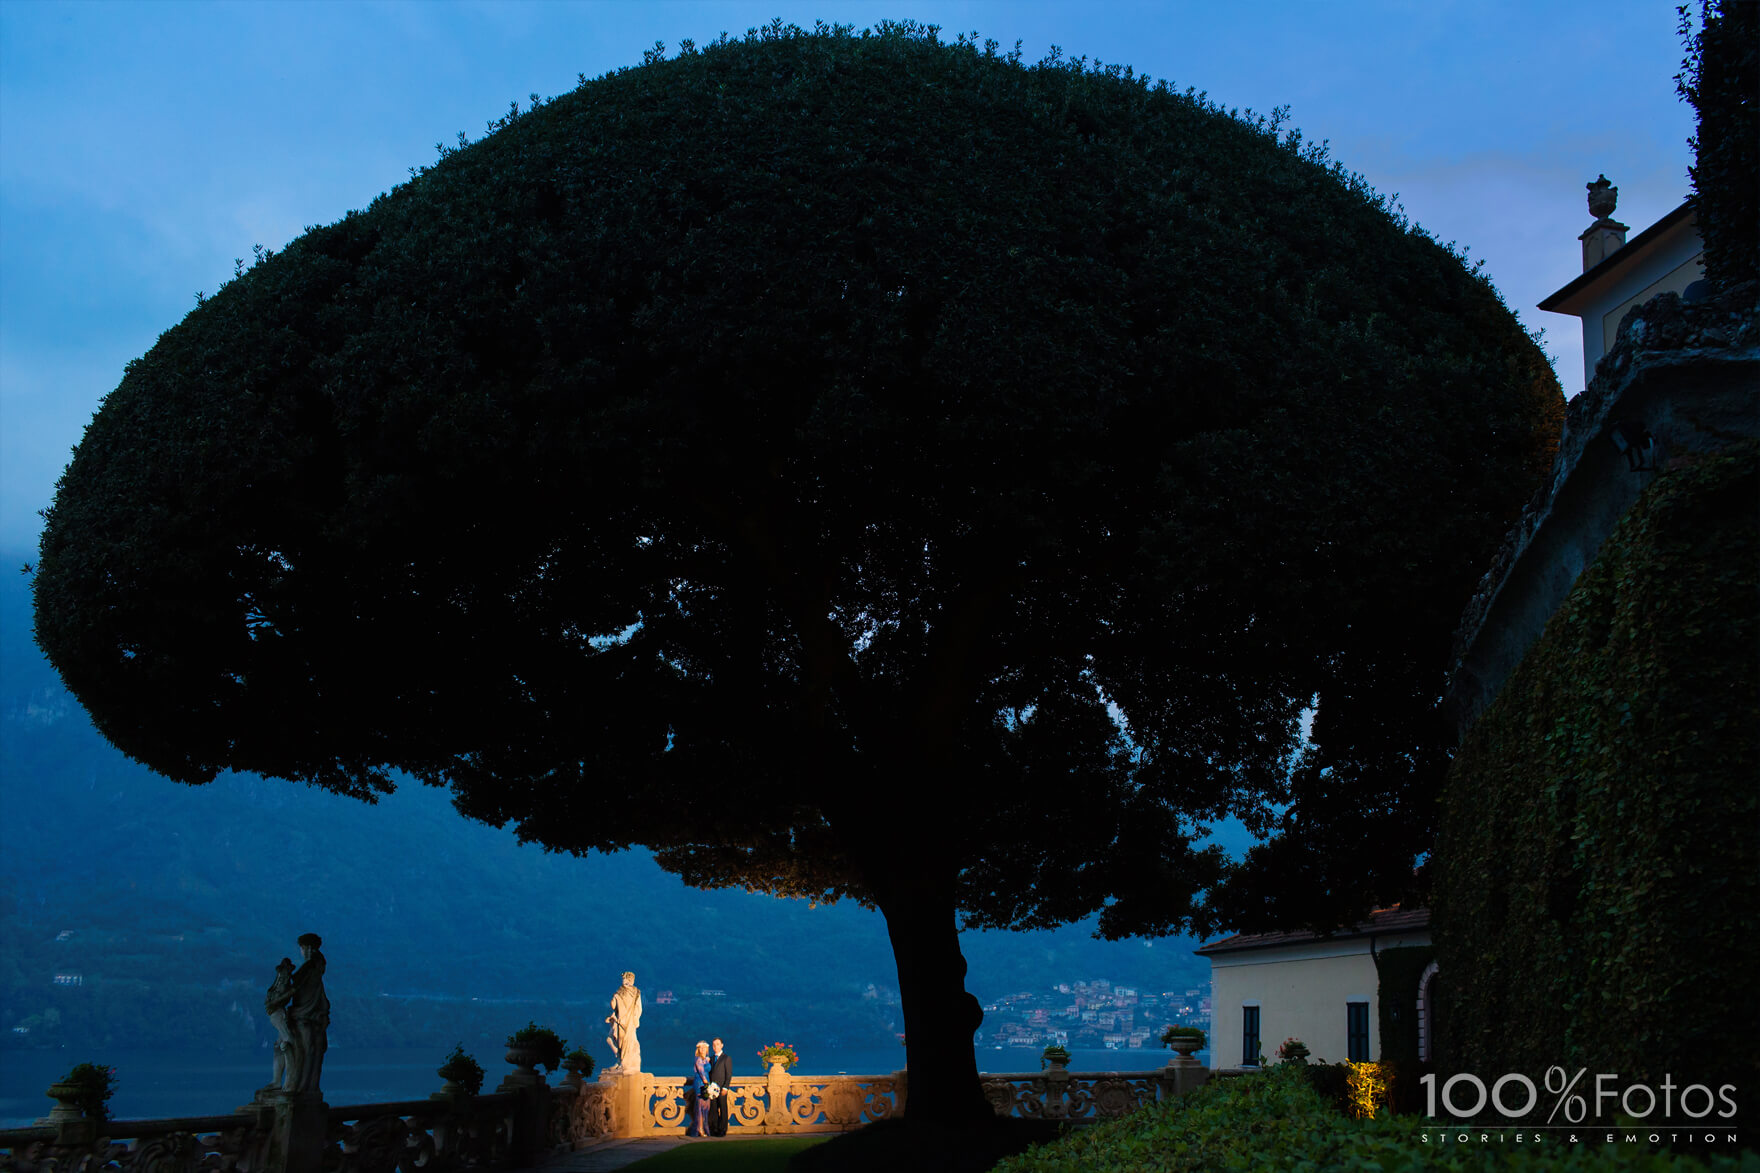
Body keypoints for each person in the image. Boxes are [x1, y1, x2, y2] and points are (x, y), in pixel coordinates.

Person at [286, 933, 329, 1093]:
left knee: (305, 1051)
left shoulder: (310, 967)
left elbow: (292, 985)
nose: (301, 952)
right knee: (313, 1051)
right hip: (315, 1015)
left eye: (302, 948)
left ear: (306, 948)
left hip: (305, 1015)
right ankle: (309, 1086)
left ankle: (301, 1087)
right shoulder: (318, 965)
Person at [262, 957, 296, 1095]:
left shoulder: (286, 983)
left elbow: (289, 993)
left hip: (278, 1013)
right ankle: (276, 1081)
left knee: (287, 1043)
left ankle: (289, 1081)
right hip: (275, 1014)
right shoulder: (279, 980)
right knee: (279, 1046)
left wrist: (273, 1004)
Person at [604, 972, 643, 1074]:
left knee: (620, 1041)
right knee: (617, 1040)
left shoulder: (622, 993)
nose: (623, 981)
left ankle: (622, 1063)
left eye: (624, 979)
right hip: (626, 1021)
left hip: (624, 1021)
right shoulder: (634, 993)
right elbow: (639, 1009)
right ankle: (620, 1061)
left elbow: (613, 1006)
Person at [707, 1037, 731, 1137]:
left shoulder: (726, 1058)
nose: (715, 1046)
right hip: (712, 1088)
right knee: (713, 1109)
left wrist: (725, 1087)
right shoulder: (711, 1059)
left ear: (722, 1045)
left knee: (723, 1108)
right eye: (714, 1045)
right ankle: (715, 1128)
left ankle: (723, 1129)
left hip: (722, 1088)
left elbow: (728, 1074)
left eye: (717, 1044)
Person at [686, 1041, 710, 1137]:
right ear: (698, 1050)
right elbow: (701, 1072)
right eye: (701, 1048)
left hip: (706, 1081)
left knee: (705, 1106)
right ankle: (699, 1129)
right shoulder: (698, 1059)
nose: (702, 1049)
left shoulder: (706, 1059)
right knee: (700, 1107)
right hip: (700, 1083)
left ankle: (704, 1127)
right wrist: (707, 1083)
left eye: (704, 1048)